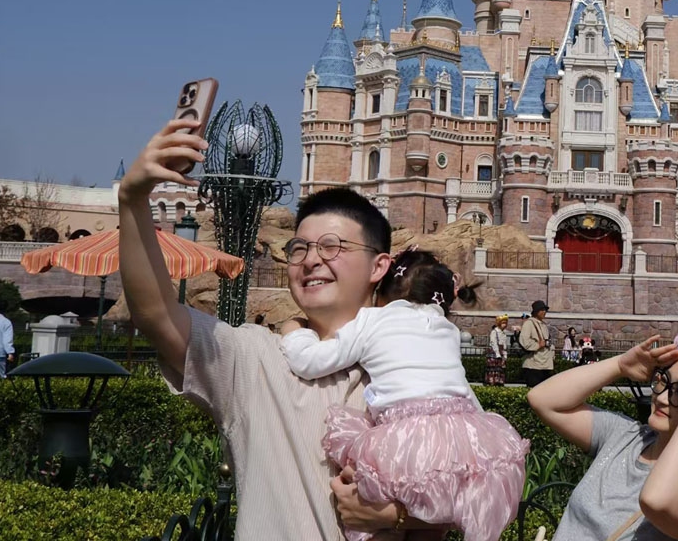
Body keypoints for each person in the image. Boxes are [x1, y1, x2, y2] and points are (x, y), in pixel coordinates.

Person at [117, 119, 451, 539]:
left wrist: (395, 517)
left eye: (333, 247)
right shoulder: (256, 360)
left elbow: (467, 497)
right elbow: (156, 314)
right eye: (299, 249)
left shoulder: (419, 371)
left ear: (379, 265)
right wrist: (132, 202)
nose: (311, 260)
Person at [281, 249, 528, 541]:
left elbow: (310, 363)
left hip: (403, 441)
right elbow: (460, 387)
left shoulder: (372, 320)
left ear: (382, 291)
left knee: (380, 524)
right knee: (432, 524)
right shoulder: (445, 329)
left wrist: (295, 332)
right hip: (457, 436)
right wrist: (484, 440)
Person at [528, 335, 678, 541]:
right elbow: (544, 400)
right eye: (664, 380)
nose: (662, 398)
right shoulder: (626, 436)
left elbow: (658, 502)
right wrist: (620, 366)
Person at [519, 300, 554, 387]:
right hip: (533, 365)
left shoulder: (543, 325)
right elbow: (524, 341)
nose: (544, 312)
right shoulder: (529, 324)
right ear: (536, 311)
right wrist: (538, 345)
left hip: (545, 364)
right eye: (542, 310)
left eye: (545, 310)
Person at [487, 314, 510, 386]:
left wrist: (505, 353)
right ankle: (492, 381)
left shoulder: (504, 333)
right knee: (494, 368)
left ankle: (499, 381)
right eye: (503, 323)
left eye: (506, 323)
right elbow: (493, 342)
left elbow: (504, 344)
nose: (505, 325)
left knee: (501, 368)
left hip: (501, 351)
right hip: (494, 352)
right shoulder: (495, 332)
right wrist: (497, 353)